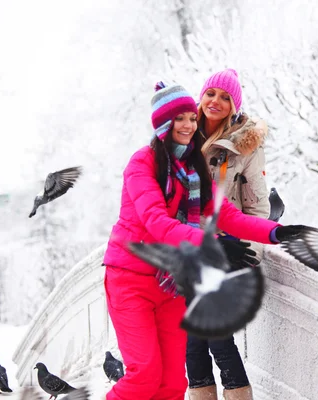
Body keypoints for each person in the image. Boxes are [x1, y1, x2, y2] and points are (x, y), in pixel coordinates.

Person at [102, 82, 292, 400]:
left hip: (172, 284)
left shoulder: (192, 168)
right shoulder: (142, 164)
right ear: (163, 124)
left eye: (192, 118)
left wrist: (276, 232)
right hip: (131, 279)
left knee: (174, 383)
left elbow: (227, 216)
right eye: (180, 119)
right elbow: (157, 223)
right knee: (144, 377)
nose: (190, 125)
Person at [186, 69, 270, 400]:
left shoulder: (245, 146)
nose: (215, 102)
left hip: (226, 251)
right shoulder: (181, 135)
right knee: (192, 340)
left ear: (234, 106)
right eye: (211, 94)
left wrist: (247, 252)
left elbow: (258, 207)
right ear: (200, 96)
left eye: (225, 97)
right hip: (186, 247)